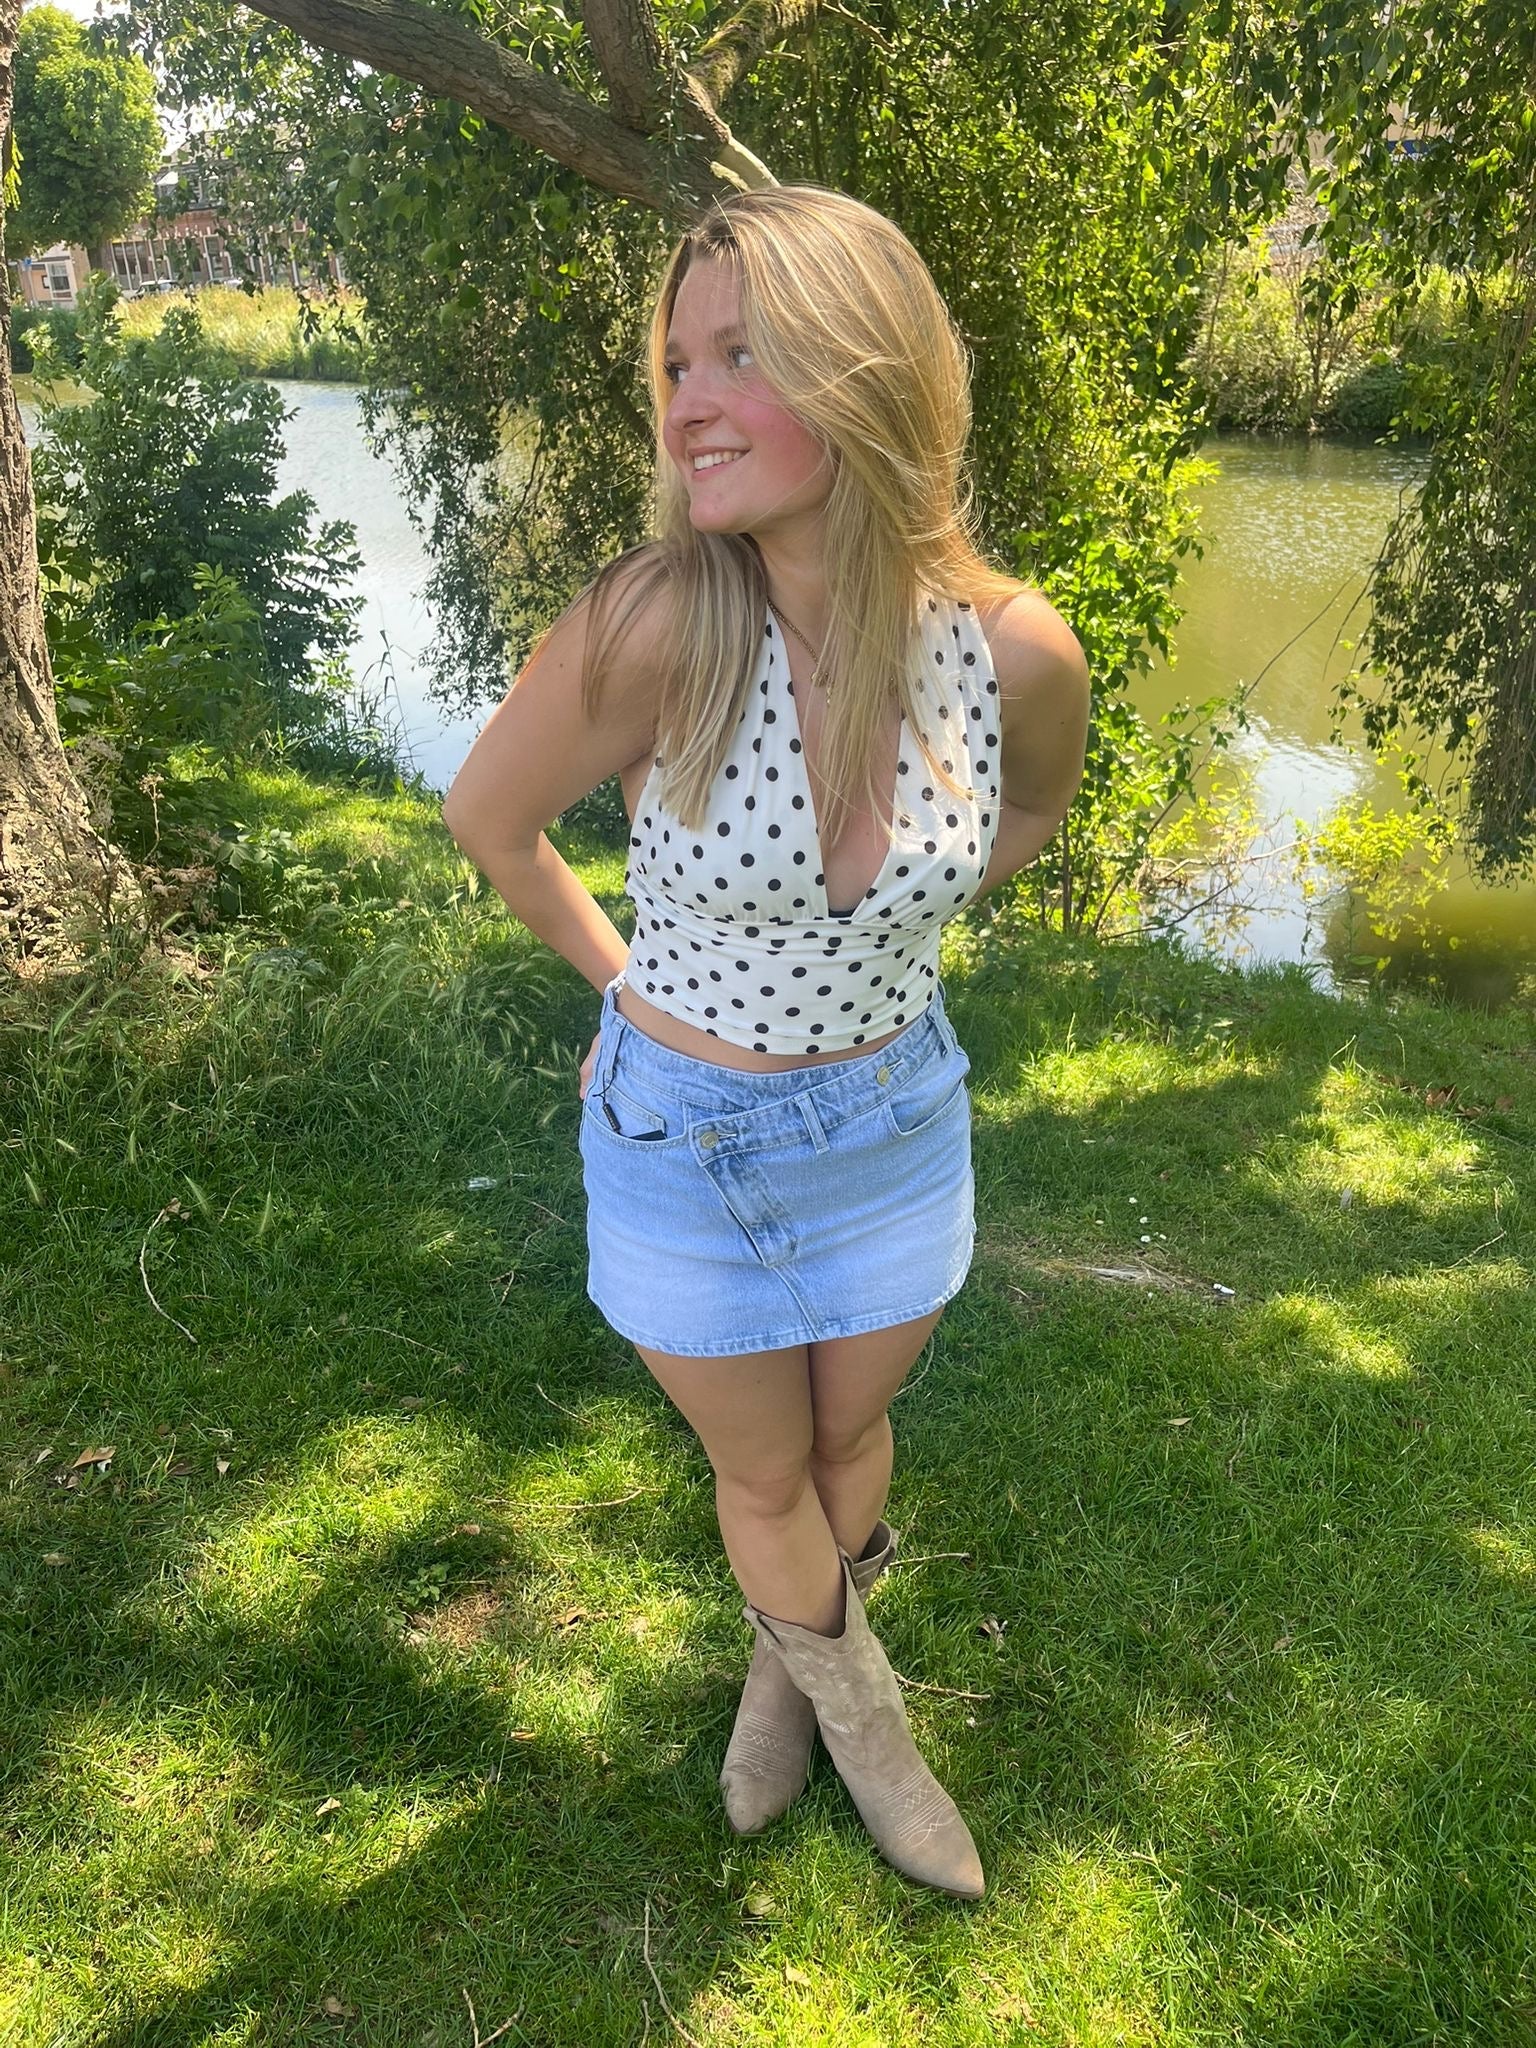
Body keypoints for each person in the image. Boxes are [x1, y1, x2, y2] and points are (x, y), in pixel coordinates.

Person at [443, 184, 1089, 1901]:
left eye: (743, 355)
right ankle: (878, 1745)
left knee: (846, 1449)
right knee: (762, 1467)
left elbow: (1030, 811)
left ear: (869, 368)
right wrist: (626, 991)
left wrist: (892, 925)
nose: (689, 401)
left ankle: (782, 1677)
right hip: (686, 1144)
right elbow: (491, 821)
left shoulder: (1015, 650)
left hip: (896, 1128)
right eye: (676, 364)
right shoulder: (659, 622)